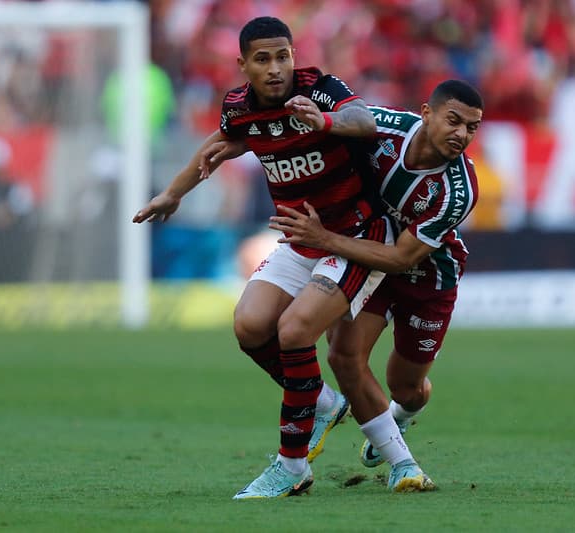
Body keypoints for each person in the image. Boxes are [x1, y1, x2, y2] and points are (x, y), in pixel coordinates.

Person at [133, 16, 390, 499]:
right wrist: (173, 194)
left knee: (294, 332)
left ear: (295, 56)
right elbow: (222, 145)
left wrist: (325, 120)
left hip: (352, 234)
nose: (276, 69)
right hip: (299, 241)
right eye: (263, 59)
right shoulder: (238, 107)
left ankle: (291, 466)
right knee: (249, 327)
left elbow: (365, 121)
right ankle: (323, 403)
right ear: (243, 65)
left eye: (283, 56)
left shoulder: (321, 88)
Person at [269, 80, 483, 491]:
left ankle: (399, 416)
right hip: (369, 257)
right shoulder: (385, 127)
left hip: (427, 277)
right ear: (427, 112)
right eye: (453, 121)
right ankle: (401, 462)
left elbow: (404, 258)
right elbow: (342, 119)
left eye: (472, 128)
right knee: (343, 355)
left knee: (406, 386)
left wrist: (324, 239)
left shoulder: (459, 189)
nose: (461, 134)